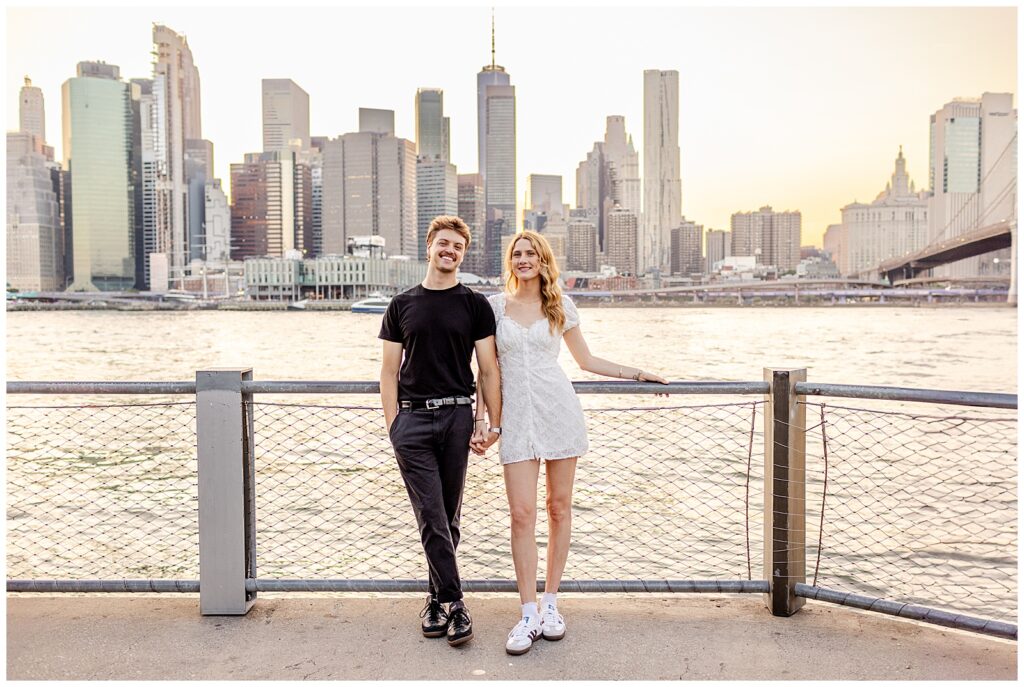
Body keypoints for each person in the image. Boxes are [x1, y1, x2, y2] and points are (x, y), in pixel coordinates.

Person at [474, 230, 668, 656]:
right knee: (521, 515)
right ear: (511, 262)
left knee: (559, 509)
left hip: (559, 410)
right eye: (517, 254)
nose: (523, 259)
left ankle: (550, 604)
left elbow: (587, 361)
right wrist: (483, 422)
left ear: (544, 261)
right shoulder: (492, 308)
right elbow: (485, 371)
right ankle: (527, 613)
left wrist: (638, 373)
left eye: (531, 254)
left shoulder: (560, 306)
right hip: (516, 419)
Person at [379, 215, 502, 648]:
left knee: (447, 519)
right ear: (429, 245)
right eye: (444, 244)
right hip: (411, 422)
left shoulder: (475, 305)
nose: (450, 252)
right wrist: (394, 424)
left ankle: (434, 599)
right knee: (432, 514)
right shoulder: (401, 305)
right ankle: (456, 604)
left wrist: (490, 422)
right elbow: (389, 372)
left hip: (456, 419)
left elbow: (488, 370)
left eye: (458, 248)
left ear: (462, 255)